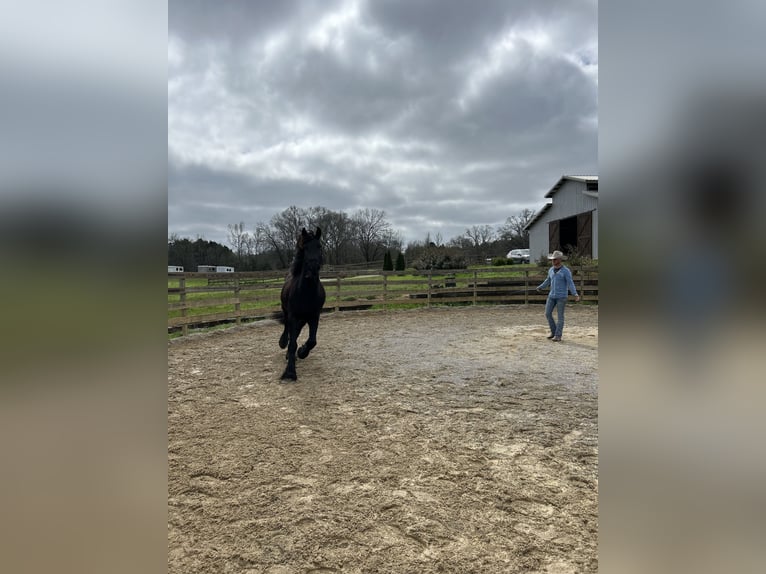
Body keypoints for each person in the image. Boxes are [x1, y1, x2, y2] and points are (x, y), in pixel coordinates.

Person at [536, 250, 580, 342]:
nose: (553, 261)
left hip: (561, 297)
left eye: (555, 259)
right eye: (552, 259)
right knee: (547, 313)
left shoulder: (566, 271)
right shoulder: (551, 270)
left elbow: (570, 283)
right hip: (551, 295)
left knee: (560, 316)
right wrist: (541, 287)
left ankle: (558, 335)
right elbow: (548, 281)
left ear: (560, 260)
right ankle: (554, 332)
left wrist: (575, 293)